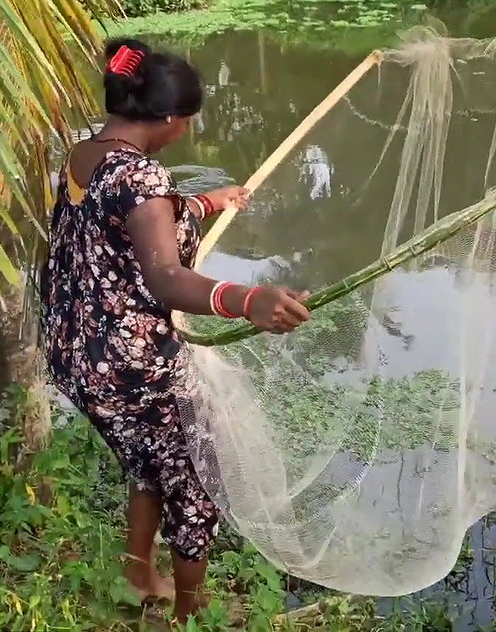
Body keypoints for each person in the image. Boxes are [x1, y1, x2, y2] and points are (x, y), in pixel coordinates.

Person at [39, 38, 311, 625]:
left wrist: (208, 202)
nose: (186, 129)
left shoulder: (85, 155)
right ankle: (190, 611)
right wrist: (246, 298)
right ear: (167, 120)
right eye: (187, 120)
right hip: (131, 366)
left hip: (77, 357)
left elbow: (127, 219)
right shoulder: (143, 179)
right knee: (196, 486)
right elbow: (164, 277)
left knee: (146, 460)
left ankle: (139, 572)